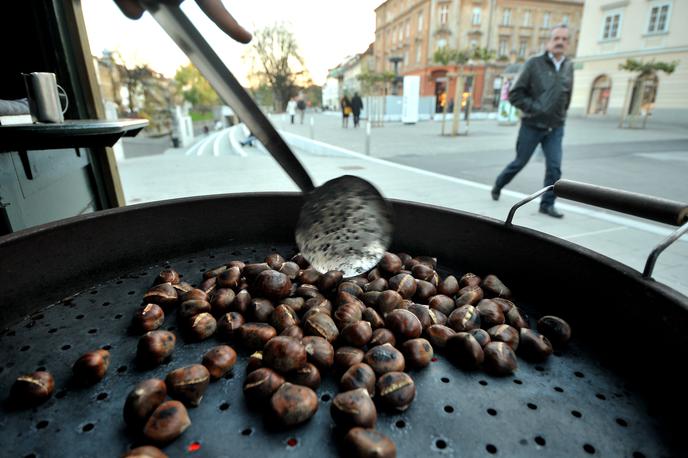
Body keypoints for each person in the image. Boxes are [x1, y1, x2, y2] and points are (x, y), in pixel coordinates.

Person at [491, 24, 574, 218]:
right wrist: (537, 109)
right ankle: (499, 184)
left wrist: (561, 115)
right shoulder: (533, 63)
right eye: (556, 39)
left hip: (555, 127)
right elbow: (515, 94)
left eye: (564, 39)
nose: (560, 42)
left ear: (568, 43)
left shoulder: (569, 66)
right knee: (519, 162)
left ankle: (547, 204)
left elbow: (567, 94)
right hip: (532, 125)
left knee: (555, 168)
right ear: (548, 42)